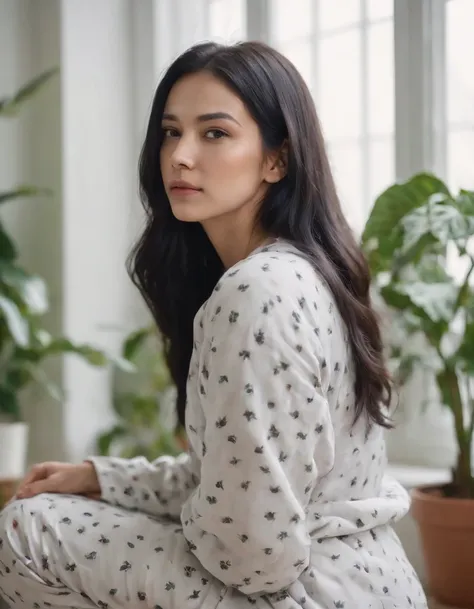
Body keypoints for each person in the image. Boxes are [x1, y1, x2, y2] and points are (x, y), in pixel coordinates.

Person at [0, 41, 427, 609]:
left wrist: (167, 525)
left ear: (277, 158)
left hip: (303, 594)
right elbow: (239, 487)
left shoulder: (255, 292)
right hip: (375, 584)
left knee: (27, 529)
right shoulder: (305, 272)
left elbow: (252, 556)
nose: (179, 155)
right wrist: (104, 480)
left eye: (215, 133)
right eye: (171, 132)